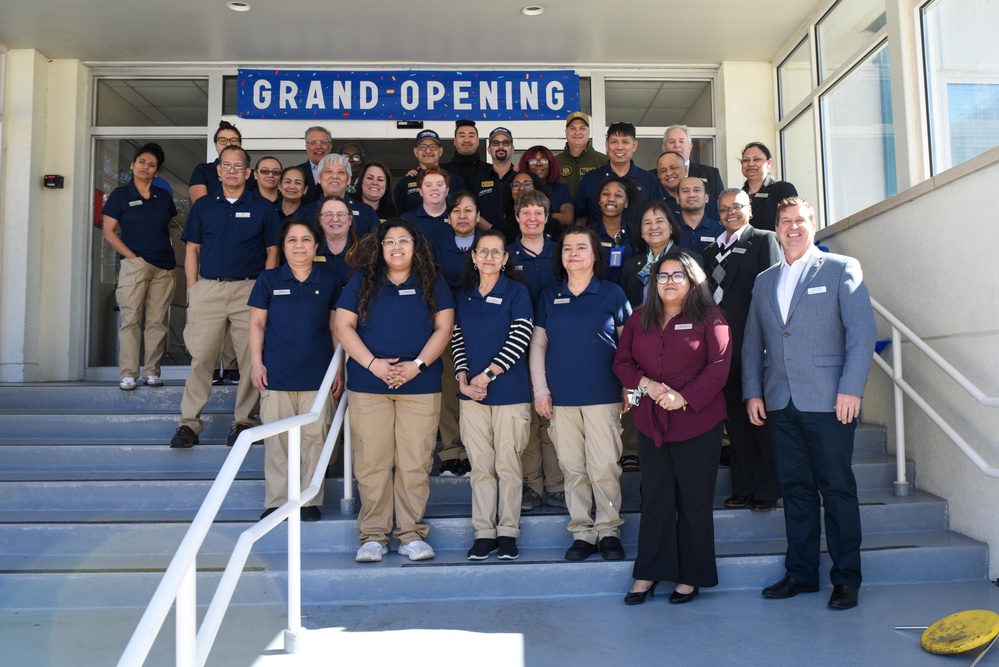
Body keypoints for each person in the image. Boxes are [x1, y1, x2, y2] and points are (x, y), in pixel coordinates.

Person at [743, 197, 875, 610]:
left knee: (836, 490)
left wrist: (851, 389)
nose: (793, 227)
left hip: (830, 401)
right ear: (777, 228)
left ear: (813, 226)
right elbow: (753, 342)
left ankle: (846, 579)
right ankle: (801, 574)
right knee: (797, 492)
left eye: (800, 220)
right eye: (785, 222)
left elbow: (862, 333)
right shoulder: (765, 280)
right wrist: (752, 391)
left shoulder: (840, 269)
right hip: (781, 401)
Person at [613, 250, 731, 605]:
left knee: (694, 501)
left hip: (698, 420)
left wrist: (684, 398)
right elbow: (621, 361)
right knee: (656, 499)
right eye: (662, 276)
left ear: (693, 280)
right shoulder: (639, 318)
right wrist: (646, 385)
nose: (669, 282)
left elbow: (719, 367)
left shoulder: (711, 317)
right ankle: (648, 572)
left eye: (678, 275)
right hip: (652, 422)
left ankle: (690, 577)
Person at [335, 219, 455, 563]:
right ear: (381, 247)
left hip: (420, 385)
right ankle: (372, 536)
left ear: (415, 246)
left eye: (404, 240)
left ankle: (411, 534)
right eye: (390, 242)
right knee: (372, 461)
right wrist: (372, 364)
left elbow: (444, 328)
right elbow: (343, 324)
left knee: (414, 462)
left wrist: (416, 365)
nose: (397, 247)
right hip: (369, 385)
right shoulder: (363, 280)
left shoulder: (432, 280)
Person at [530, 226, 632, 562]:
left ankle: (608, 530)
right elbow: (538, 345)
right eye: (567, 248)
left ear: (594, 254)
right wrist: (541, 391)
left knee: (604, 466)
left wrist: (629, 387)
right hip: (561, 398)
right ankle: (582, 532)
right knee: (572, 468)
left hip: (603, 394)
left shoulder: (612, 294)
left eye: (581, 247)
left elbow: (628, 346)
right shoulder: (549, 296)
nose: (573, 253)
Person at [170, 144, 280, 449]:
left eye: (238, 167)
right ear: (218, 171)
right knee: (201, 357)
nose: (232, 171)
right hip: (209, 289)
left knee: (250, 359)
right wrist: (193, 287)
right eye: (226, 166)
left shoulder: (262, 207)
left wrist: (264, 289)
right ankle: (189, 423)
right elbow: (192, 249)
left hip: (250, 290)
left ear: (248, 173)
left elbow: (273, 251)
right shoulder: (204, 206)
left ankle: (243, 421)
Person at [249, 218, 343, 522]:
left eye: (305, 240)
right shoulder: (268, 280)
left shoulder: (329, 282)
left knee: (314, 439)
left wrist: (338, 370)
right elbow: (257, 324)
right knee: (277, 440)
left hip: (318, 375)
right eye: (292, 240)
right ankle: (277, 501)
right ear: (284, 246)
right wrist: (256, 363)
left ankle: (308, 500)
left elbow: (335, 329)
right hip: (276, 374)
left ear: (317, 245)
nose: (299, 246)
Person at [452, 230, 534, 560]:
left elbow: (521, 337)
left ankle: (508, 532)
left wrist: (486, 376)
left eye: (495, 252)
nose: (488, 257)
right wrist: (462, 377)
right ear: (473, 257)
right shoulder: (464, 295)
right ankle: (484, 532)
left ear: (504, 259)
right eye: (481, 251)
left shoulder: (517, 292)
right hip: (470, 395)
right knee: (481, 467)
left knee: (508, 465)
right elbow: (457, 338)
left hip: (509, 393)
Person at [703, 189, 782, 512]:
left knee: (759, 419)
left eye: (736, 207)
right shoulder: (710, 251)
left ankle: (765, 489)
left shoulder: (764, 240)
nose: (730, 213)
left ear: (749, 209)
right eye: (723, 209)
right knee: (735, 421)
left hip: (755, 342)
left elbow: (774, 291)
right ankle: (742, 487)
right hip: (722, 349)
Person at [102, 142, 177, 391]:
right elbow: (109, 232)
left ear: (156, 172)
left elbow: (168, 227)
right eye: (142, 162)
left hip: (164, 267)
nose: (146, 167)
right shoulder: (120, 196)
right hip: (135, 265)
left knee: (157, 322)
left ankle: (152, 371)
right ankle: (128, 373)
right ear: (133, 165)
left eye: (152, 164)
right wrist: (132, 257)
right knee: (131, 319)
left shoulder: (163, 196)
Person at [508, 190, 565, 511]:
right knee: (527, 419)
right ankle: (531, 485)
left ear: (547, 217)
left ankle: (556, 485)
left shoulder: (562, 253)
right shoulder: (506, 255)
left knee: (554, 416)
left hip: (556, 347)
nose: (532, 218)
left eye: (538, 213)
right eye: (526, 212)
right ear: (517, 217)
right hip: (516, 348)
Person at [430, 191, 481, 478]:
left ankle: (474, 453)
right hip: (447, 327)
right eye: (457, 211)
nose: (463, 216)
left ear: (477, 216)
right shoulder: (436, 248)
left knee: (477, 389)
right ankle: (451, 453)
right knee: (450, 390)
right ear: (448, 217)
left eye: (469, 210)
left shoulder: (488, 245)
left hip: (483, 328)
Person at [575, 121, 661, 231]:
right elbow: (580, 221)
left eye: (625, 142)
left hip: (638, 246)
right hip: (598, 246)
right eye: (614, 142)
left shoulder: (649, 179)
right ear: (607, 145)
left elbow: (658, 218)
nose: (619, 147)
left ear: (634, 146)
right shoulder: (590, 179)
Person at [620, 200, 690, 308]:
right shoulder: (630, 265)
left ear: (671, 228)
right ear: (641, 232)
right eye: (647, 223)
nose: (653, 227)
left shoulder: (690, 259)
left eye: (659, 221)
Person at [298, 154, 379, 238]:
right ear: (319, 178)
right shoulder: (304, 214)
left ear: (348, 180)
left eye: (341, 172)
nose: (335, 176)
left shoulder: (367, 213)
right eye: (329, 171)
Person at [393, 129, 466, 214]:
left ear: (440, 151)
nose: (428, 151)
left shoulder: (455, 180)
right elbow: (397, 217)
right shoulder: (404, 183)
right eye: (422, 147)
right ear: (416, 152)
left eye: (433, 146)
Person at [188, 120, 257, 203]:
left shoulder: (252, 175)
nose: (228, 144)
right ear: (215, 145)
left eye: (233, 141)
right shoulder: (203, 170)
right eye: (222, 140)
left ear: (240, 145)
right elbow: (201, 207)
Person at [589, 176, 637, 285]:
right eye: (606, 194)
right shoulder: (588, 233)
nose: (611, 199)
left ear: (626, 203)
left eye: (618, 195)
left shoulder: (635, 233)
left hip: (628, 298)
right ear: (599, 200)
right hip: (596, 296)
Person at [740, 142, 798, 232]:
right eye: (746, 160)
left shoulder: (782, 189)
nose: (751, 164)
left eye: (757, 159)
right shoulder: (739, 196)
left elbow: (792, 223)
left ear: (769, 163)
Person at [470, 127, 517, 235]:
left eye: (505, 143)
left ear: (512, 149)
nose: (501, 147)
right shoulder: (476, 181)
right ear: (489, 149)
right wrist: (493, 230)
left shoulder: (521, 178)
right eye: (496, 143)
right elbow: (471, 210)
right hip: (486, 239)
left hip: (518, 239)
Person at [661, 125, 725, 202]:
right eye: (672, 142)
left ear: (690, 147)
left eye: (681, 141)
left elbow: (721, 207)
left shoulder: (711, 174)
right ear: (664, 148)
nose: (677, 145)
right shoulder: (652, 177)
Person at [518, 145, 574, 230]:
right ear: (526, 165)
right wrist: (553, 215)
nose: (539, 164)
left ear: (551, 164)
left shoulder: (561, 189)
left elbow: (568, 219)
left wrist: (532, 214)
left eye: (544, 160)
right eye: (532, 161)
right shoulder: (519, 188)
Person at [555, 111, 607, 200]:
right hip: (563, 213)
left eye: (582, 128)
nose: (577, 132)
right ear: (566, 132)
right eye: (572, 128)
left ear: (589, 132)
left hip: (592, 214)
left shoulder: (603, 161)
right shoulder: (555, 162)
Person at [315, 195, 361, 287]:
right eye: (328, 214)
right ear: (320, 220)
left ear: (350, 219)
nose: (335, 219)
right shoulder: (310, 249)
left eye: (341, 214)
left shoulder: (364, 251)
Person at [401, 166, 452, 244]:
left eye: (439, 184)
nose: (434, 188)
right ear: (420, 191)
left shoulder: (457, 219)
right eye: (428, 185)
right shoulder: (406, 220)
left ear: (447, 190)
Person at [676, 176, 724, 254]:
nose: (691, 195)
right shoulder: (670, 230)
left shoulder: (721, 230)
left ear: (706, 198)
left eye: (697, 190)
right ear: (678, 199)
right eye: (685, 191)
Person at [498, 170, 547, 244]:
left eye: (527, 184)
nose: (521, 188)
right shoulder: (500, 227)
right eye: (516, 185)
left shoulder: (553, 225)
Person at [441, 120, 490, 186]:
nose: (467, 140)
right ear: (455, 141)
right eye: (462, 136)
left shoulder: (491, 171)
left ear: (478, 142)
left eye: (471, 136)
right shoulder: (442, 171)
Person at [297, 126, 333, 206]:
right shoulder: (298, 172)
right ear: (306, 147)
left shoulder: (340, 172)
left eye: (323, 142)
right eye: (313, 143)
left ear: (330, 146)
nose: (319, 147)